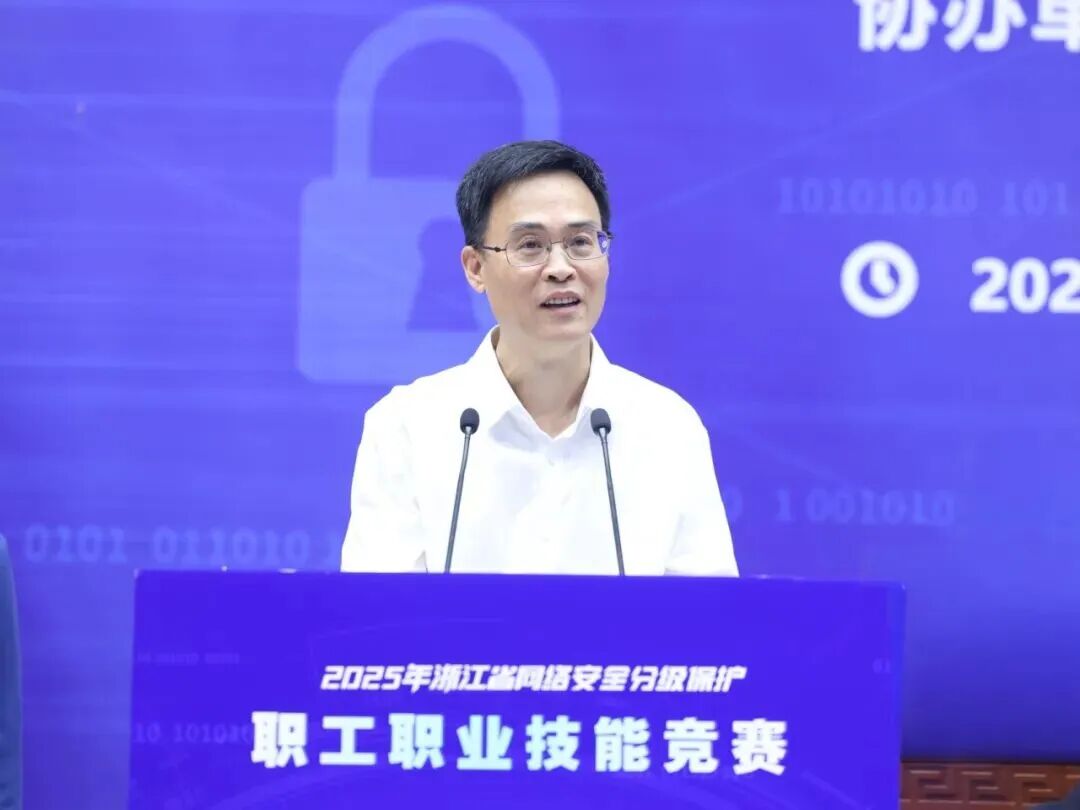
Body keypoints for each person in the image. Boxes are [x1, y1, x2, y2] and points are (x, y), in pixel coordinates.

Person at [341, 140, 738, 577]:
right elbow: (377, 616)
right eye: (530, 245)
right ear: (475, 268)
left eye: (581, 242)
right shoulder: (407, 428)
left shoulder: (667, 428)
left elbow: (708, 616)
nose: (561, 268)